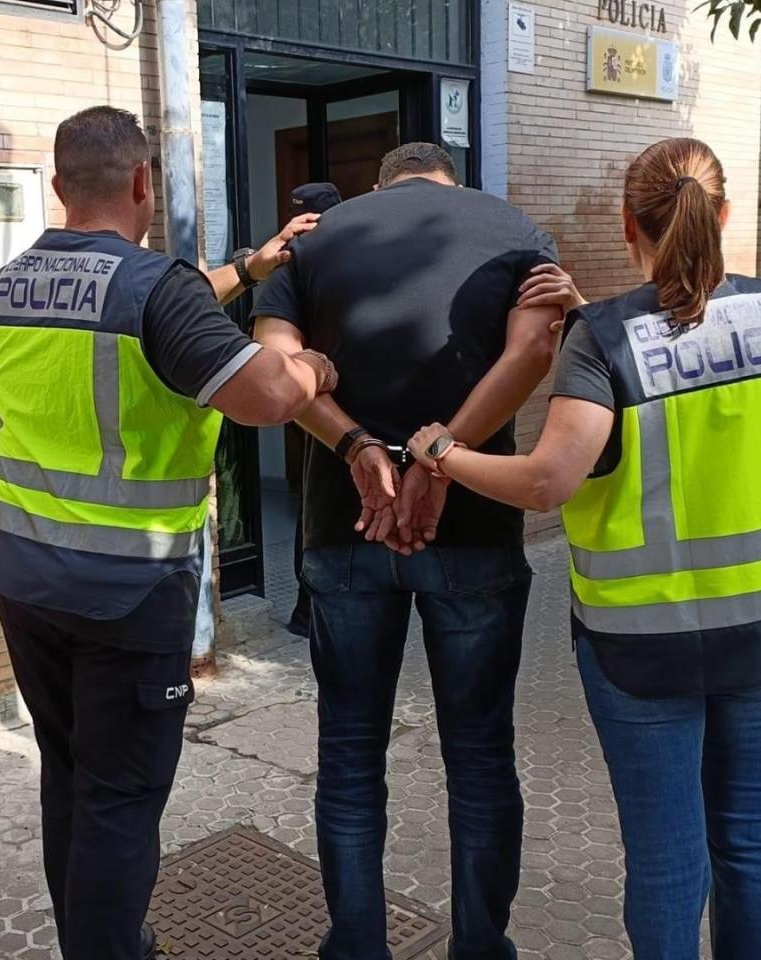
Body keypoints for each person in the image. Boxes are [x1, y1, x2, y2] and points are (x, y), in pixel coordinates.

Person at [407, 137, 761, 960]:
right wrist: (599, 316)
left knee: (669, 861)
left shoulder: (604, 340)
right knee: (752, 841)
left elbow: (546, 482)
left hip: (647, 646)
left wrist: (440, 452)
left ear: (627, 220)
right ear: (726, 215)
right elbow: (696, 350)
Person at [0, 105, 339, 960]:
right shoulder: (155, 291)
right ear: (145, 183)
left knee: (70, 781)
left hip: (28, 579)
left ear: (60, 185)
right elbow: (266, 398)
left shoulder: (12, 280)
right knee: (121, 804)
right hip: (128, 593)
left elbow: (141, 309)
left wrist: (248, 269)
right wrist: (311, 366)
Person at [252, 143, 575, 960]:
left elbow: (274, 371)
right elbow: (535, 350)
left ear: (383, 184)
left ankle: (357, 947)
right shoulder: (510, 228)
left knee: (351, 757)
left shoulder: (315, 239)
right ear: (450, 179)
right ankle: (480, 948)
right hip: (472, 528)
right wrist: (439, 456)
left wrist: (361, 447)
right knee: (478, 756)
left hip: (345, 526)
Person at [281, 182, 343, 638]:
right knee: (322, 506)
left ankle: (309, 611)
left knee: (315, 505)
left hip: (307, 398)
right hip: (325, 398)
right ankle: (311, 609)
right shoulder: (344, 256)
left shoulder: (292, 258)